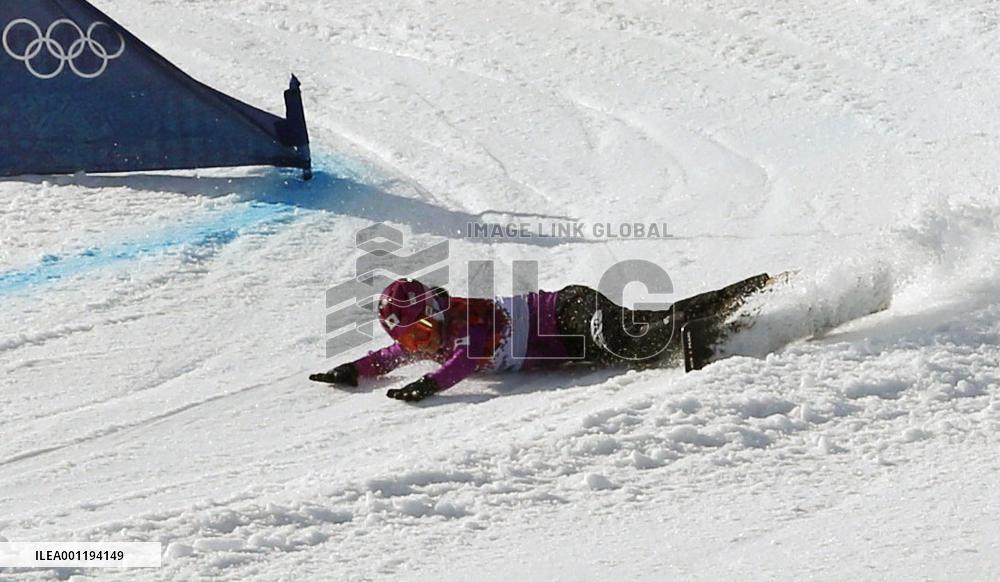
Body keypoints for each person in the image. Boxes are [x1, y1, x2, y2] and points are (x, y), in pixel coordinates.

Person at [310, 274, 770, 401]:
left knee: (635, 345)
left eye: (426, 331)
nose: (423, 345)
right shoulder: (429, 340)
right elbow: (388, 355)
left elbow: (467, 362)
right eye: (415, 343)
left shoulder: (469, 319)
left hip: (569, 314)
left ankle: (710, 335)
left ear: (437, 313)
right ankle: (745, 299)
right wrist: (352, 370)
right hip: (574, 346)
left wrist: (430, 385)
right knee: (650, 329)